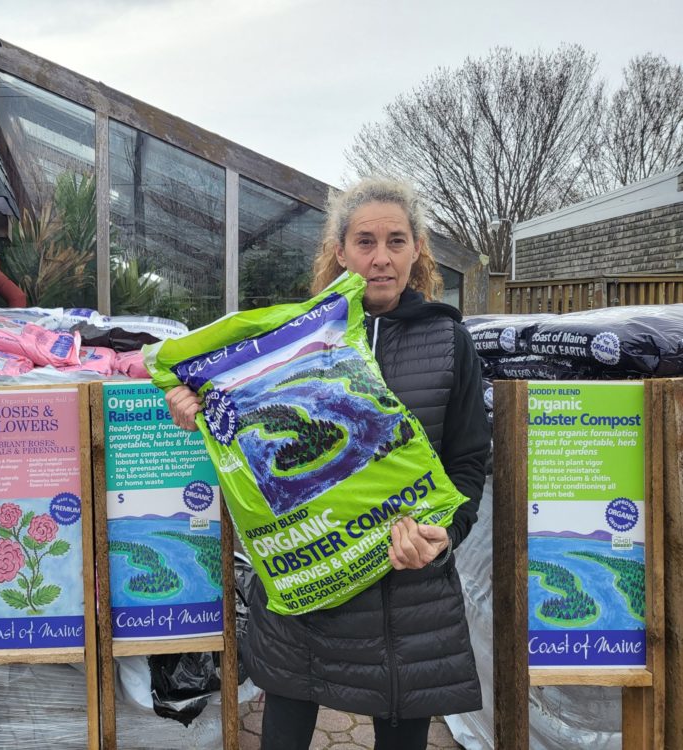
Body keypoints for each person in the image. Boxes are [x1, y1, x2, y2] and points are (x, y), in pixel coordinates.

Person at [165, 177, 490, 750]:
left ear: (418, 249)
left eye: (396, 240)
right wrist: (197, 409)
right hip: (306, 584)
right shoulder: (292, 337)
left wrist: (446, 534)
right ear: (339, 251)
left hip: (407, 595)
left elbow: (467, 460)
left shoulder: (447, 339)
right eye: (365, 241)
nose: (381, 258)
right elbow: (248, 444)